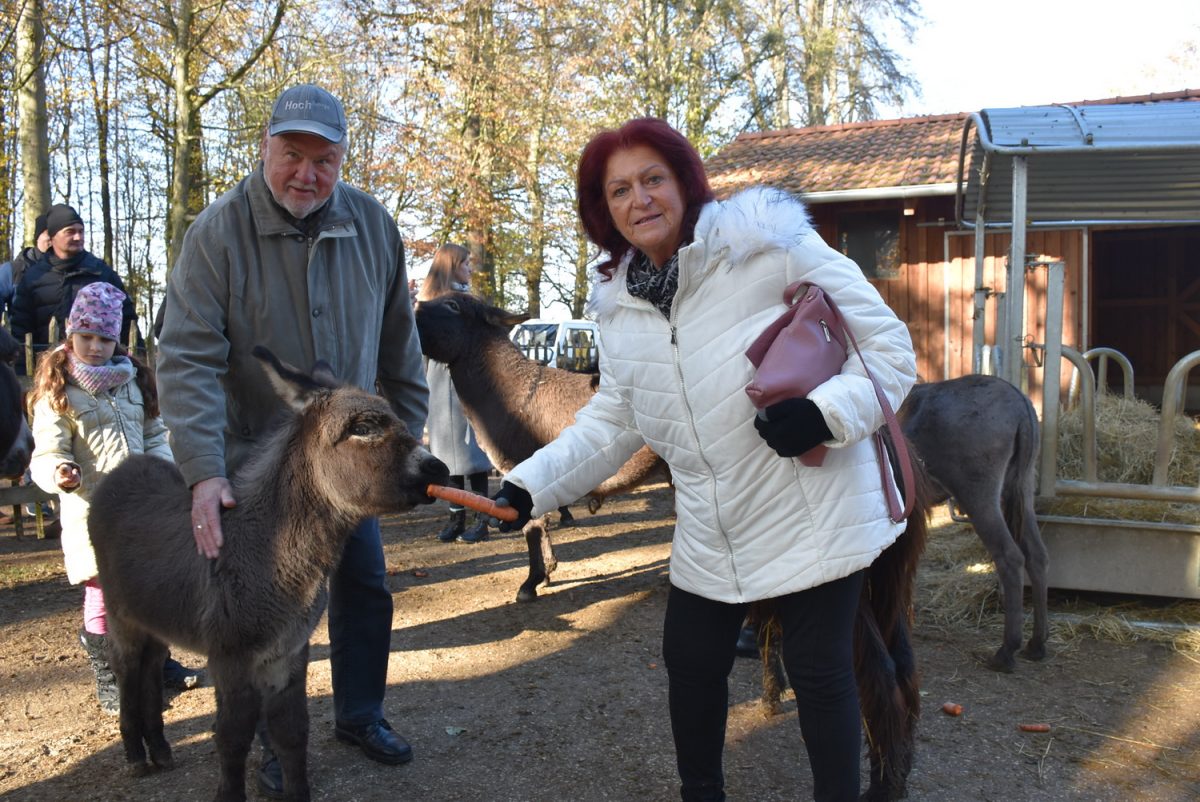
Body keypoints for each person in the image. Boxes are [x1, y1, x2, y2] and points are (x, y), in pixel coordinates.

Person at [489, 118, 917, 802]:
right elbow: (613, 421)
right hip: (712, 525)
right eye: (620, 189)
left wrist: (826, 413)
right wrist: (526, 488)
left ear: (685, 184)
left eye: (654, 179)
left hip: (811, 504)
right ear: (604, 209)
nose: (640, 199)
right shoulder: (620, 306)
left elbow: (891, 350)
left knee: (819, 672)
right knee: (690, 665)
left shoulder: (769, 249)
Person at [156, 83, 428, 799]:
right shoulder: (215, 234)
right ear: (265, 147)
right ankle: (281, 740)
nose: (306, 172)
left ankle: (361, 713)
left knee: (365, 585)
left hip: (354, 461)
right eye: (292, 154)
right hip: (260, 465)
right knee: (273, 610)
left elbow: (401, 345)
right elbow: (185, 358)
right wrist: (205, 471)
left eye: (324, 159)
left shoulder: (374, 226)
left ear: (343, 161)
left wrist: (407, 438)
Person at [27, 282, 202, 715]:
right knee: (104, 595)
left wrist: (165, 474)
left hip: (144, 513)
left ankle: (156, 664)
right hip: (94, 514)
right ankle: (112, 674)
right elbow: (48, 453)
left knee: (152, 591)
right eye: (86, 337)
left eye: (105, 339)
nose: (95, 347)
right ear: (71, 335)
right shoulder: (59, 392)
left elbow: (153, 434)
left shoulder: (130, 381)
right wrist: (61, 474)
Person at [416, 243, 495, 543]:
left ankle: (482, 519)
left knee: (471, 457)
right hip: (438, 389)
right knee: (446, 458)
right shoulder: (427, 305)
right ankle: (455, 518)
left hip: (466, 387)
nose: (470, 269)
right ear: (450, 266)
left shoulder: (468, 303)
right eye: (465, 264)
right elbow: (417, 352)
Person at [9, 204, 138, 374]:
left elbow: (127, 322)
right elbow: (21, 330)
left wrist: (136, 369)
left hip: (99, 372)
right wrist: (22, 374)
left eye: (81, 231)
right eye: (70, 232)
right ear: (53, 236)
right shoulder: (33, 278)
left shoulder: (101, 273)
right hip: (48, 373)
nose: (78, 237)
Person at [0, 212, 50, 321]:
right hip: (20, 336)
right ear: (37, 237)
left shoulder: (72, 270)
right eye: (49, 233)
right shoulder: (12, 270)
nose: (53, 239)